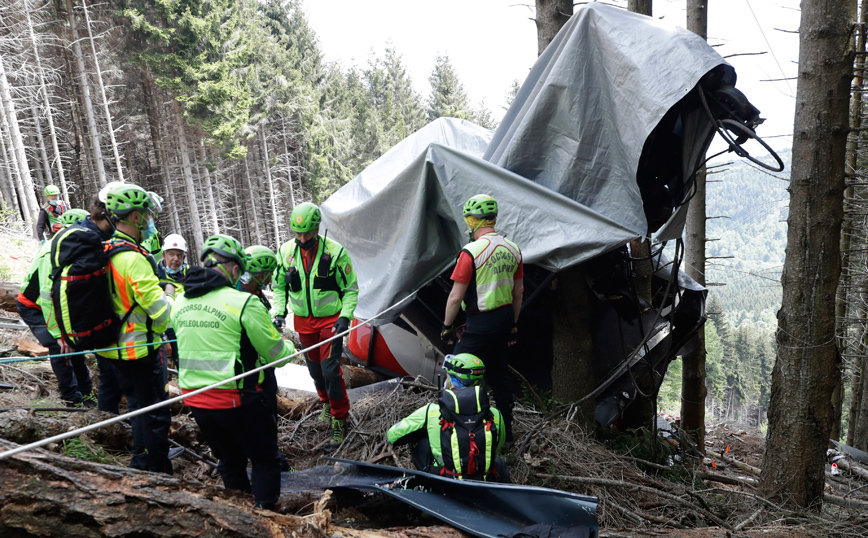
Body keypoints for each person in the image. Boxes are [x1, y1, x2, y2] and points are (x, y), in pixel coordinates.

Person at [172, 234, 295, 510]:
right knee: (264, 459)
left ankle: (240, 516)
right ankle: (266, 516)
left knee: (230, 461)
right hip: (240, 400)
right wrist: (287, 344)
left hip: (196, 400)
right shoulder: (242, 303)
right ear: (236, 269)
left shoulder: (180, 302)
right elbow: (276, 355)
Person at [97, 183, 173, 474]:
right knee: (154, 414)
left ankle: (143, 462)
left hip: (113, 349)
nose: (150, 220)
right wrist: (173, 298)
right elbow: (160, 312)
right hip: (139, 349)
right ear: (137, 217)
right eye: (147, 215)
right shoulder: (133, 259)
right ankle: (152, 471)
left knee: (138, 409)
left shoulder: (107, 249)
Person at [272, 202, 358, 450]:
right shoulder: (286, 252)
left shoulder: (336, 252)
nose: (302, 238)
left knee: (331, 370)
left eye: (307, 233)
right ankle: (325, 404)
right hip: (303, 321)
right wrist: (279, 312)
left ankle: (340, 419)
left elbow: (351, 289)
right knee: (314, 369)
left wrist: (345, 316)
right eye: (298, 234)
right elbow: (279, 287)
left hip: (331, 321)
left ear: (317, 228)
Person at [441, 194, 523, 444]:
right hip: (505, 319)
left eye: (468, 219)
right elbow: (518, 292)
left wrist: (446, 327)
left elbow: (456, 297)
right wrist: (513, 326)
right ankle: (507, 434)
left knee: (456, 371)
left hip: (480, 322)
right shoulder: (513, 248)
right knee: (499, 374)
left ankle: (453, 430)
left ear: (473, 221)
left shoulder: (471, 252)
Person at [387, 353, 510, 483]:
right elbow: (496, 448)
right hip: (483, 479)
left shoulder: (431, 411)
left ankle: (427, 482)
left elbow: (393, 435)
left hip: (445, 479)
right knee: (499, 462)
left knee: (417, 437)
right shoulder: (495, 414)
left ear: (452, 380)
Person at [17, 209, 96, 408]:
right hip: (33, 307)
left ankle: (86, 393)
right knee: (59, 346)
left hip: (56, 306)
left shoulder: (73, 249)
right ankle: (71, 398)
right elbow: (47, 299)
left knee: (74, 343)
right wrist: (59, 334)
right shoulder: (50, 252)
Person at [240, 244, 291, 472]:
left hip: (252, 369)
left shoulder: (250, 293)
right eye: (268, 274)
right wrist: (285, 344)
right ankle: (274, 466)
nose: (270, 278)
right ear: (261, 274)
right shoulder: (246, 300)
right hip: (255, 371)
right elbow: (274, 351)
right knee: (265, 420)